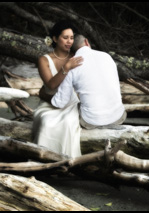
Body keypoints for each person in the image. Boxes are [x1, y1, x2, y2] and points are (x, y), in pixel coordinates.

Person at [51, 34, 126, 130]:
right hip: (118, 116)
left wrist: (48, 96)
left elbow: (60, 102)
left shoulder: (71, 66)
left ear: (71, 52)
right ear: (86, 42)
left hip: (90, 121)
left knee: (74, 105)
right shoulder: (107, 56)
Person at [32, 20, 84, 158]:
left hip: (71, 104)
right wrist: (65, 68)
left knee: (68, 123)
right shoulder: (44, 60)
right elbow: (51, 85)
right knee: (46, 121)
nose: (69, 41)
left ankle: (66, 161)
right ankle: (45, 159)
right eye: (65, 37)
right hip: (49, 104)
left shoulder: (76, 58)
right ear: (55, 38)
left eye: (72, 38)